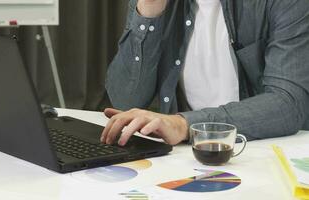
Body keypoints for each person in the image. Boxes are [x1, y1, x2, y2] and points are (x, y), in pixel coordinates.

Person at [100, 0, 309, 146]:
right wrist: (148, 10)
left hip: (265, 152)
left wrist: (183, 124)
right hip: (189, 155)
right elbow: (124, 102)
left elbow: (289, 103)